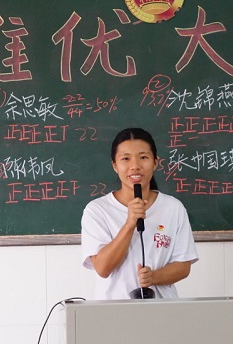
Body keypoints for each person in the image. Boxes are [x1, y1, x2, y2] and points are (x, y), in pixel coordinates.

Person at [81, 127, 198, 300]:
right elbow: (103, 268)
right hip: (113, 311)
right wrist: (129, 224)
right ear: (115, 165)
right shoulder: (97, 210)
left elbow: (183, 266)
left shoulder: (173, 207)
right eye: (126, 159)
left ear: (155, 162)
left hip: (162, 310)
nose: (135, 166)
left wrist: (154, 277)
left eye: (143, 157)